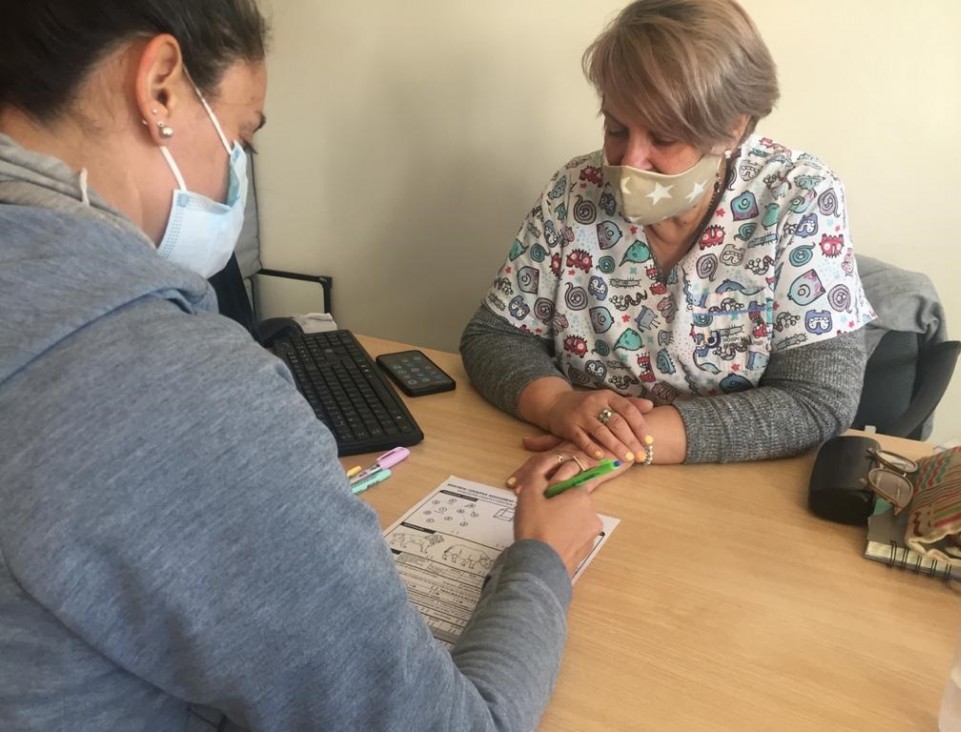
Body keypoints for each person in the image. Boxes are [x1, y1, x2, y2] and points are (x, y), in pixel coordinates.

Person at [0, 2, 602, 730]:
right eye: (242, 138)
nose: (234, 177)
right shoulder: (170, 386)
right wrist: (542, 561)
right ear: (159, 86)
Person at [460, 0, 875, 486]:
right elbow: (494, 337)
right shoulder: (575, 190)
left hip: (721, 494)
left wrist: (627, 444)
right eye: (617, 128)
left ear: (732, 127)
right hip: (572, 470)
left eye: (663, 136)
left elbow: (818, 399)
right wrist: (559, 403)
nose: (630, 160)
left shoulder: (798, 196)